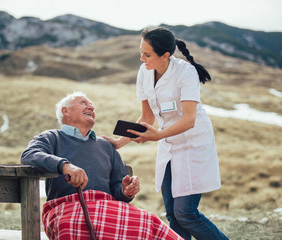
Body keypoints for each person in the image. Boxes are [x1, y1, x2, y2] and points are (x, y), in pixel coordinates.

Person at [103, 27, 229, 240]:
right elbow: (147, 118)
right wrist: (119, 142)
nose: (142, 58)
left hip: (192, 144)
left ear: (165, 55)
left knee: (185, 212)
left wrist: (158, 136)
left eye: (147, 54)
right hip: (168, 144)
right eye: (141, 52)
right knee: (172, 213)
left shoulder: (185, 73)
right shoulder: (144, 71)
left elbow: (189, 119)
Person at [20, 91, 183, 240]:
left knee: (150, 222)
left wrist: (126, 191)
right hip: (67, 207)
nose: (91, 106)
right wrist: (65, 166)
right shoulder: (51, 137)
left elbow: (118, 188)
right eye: (83, 102)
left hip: (109, 208)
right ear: (66, 111)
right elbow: (29, 155)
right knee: (72, 225)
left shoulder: (105, 146)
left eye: (91, 105)